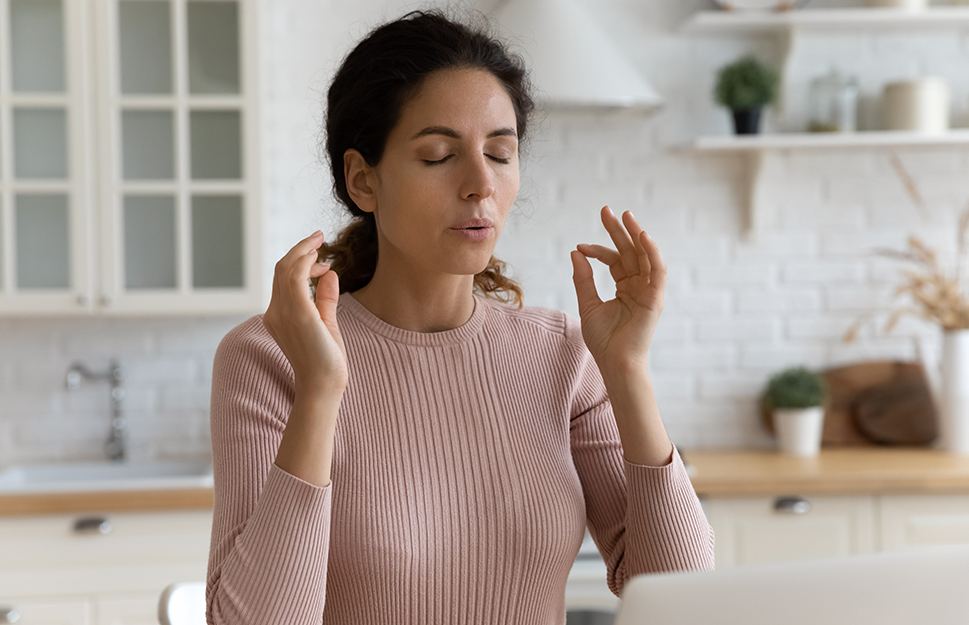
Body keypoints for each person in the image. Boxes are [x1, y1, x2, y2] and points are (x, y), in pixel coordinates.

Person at [205, 10, 714, 625]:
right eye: (439, 156)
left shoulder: (561, 356)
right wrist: (320, 389)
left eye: (500, 153)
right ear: (363, 181)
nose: (480, 184)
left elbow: (683, 601)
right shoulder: (271, 356)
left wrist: (627, 372)